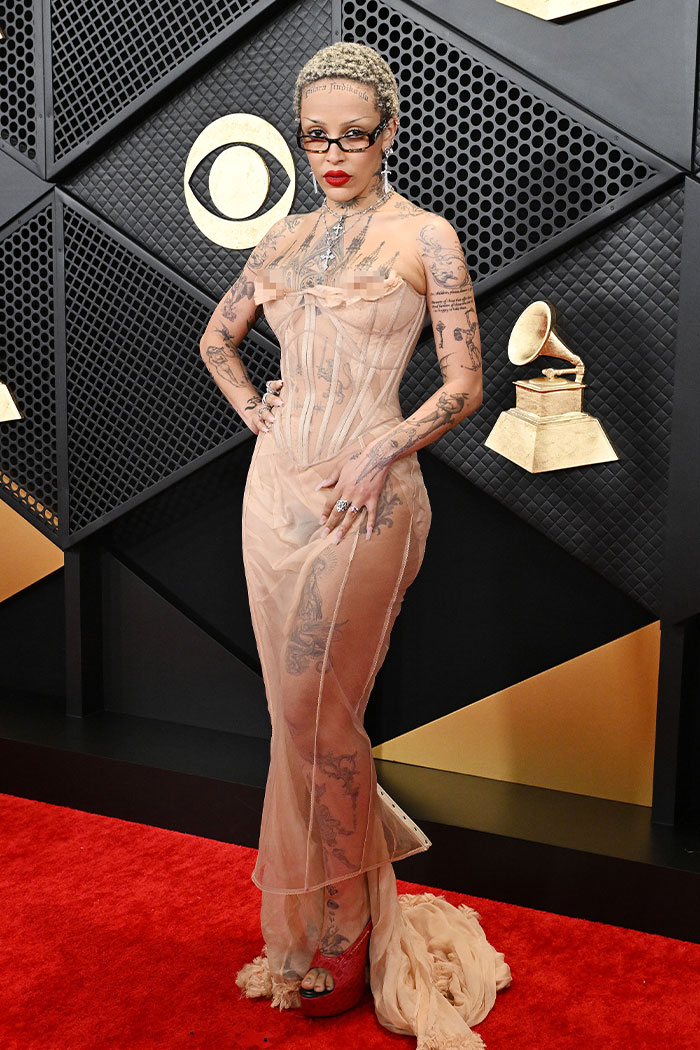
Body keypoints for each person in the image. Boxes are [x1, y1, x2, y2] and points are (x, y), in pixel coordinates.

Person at [200, 40, 511, 1049]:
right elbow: (216, 340)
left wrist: (382, 444)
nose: (333, 154)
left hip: (367, 499)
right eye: (315, 137)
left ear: (388, 133)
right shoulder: (282, 237)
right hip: (274, 495)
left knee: (318, 713)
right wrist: (258, 411)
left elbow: (464, 384)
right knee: (291, 715)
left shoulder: (426, 236)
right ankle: (327, 909)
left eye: (353, 135)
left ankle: (347, 919)